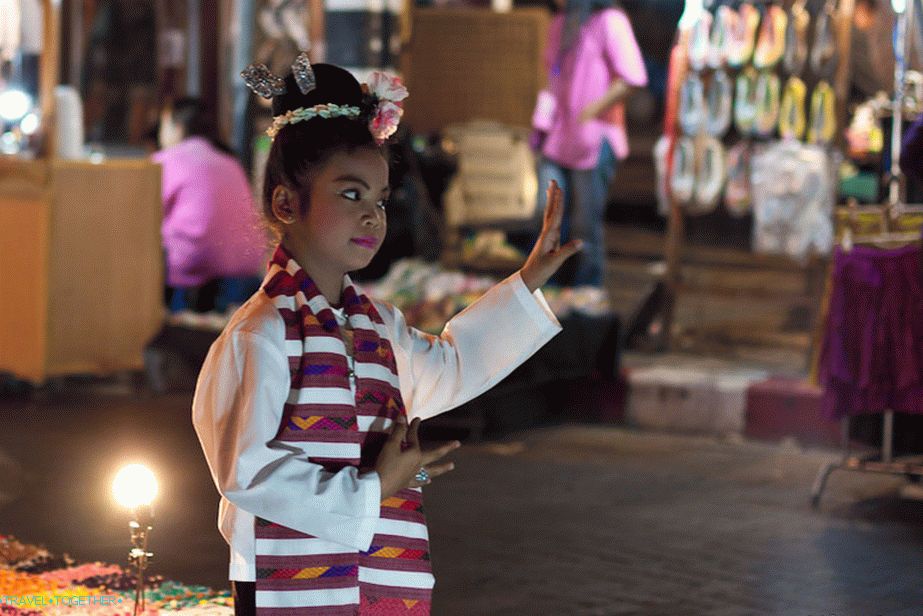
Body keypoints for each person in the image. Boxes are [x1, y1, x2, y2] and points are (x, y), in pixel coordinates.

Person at [191, 57, 581, 615]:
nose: (374, 217)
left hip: (376, 568)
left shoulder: (375, 322)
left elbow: (450, 367)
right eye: (351, 195)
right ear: (284, 203)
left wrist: (526, 282)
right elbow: (247, 472)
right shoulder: (261, 331)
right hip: (278, 577)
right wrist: (375, 488)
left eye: (379, 199)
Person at [531, 0, 647, 287]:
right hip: (558, 138)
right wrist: (540, 126)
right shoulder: (560, 23)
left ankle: (587, 294)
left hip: (594, 140)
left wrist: (592, 109)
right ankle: (549, 292)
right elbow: (552, 78)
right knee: (544, 214)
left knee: (585, 227)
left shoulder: (610, 21)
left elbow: (632, 77)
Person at [153, 98, 266, 313]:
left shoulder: (167, 160)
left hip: (193, 273)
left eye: (163, 124)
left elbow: (142, 212)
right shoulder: (231, 161)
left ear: (176, 126)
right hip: (248, 271)